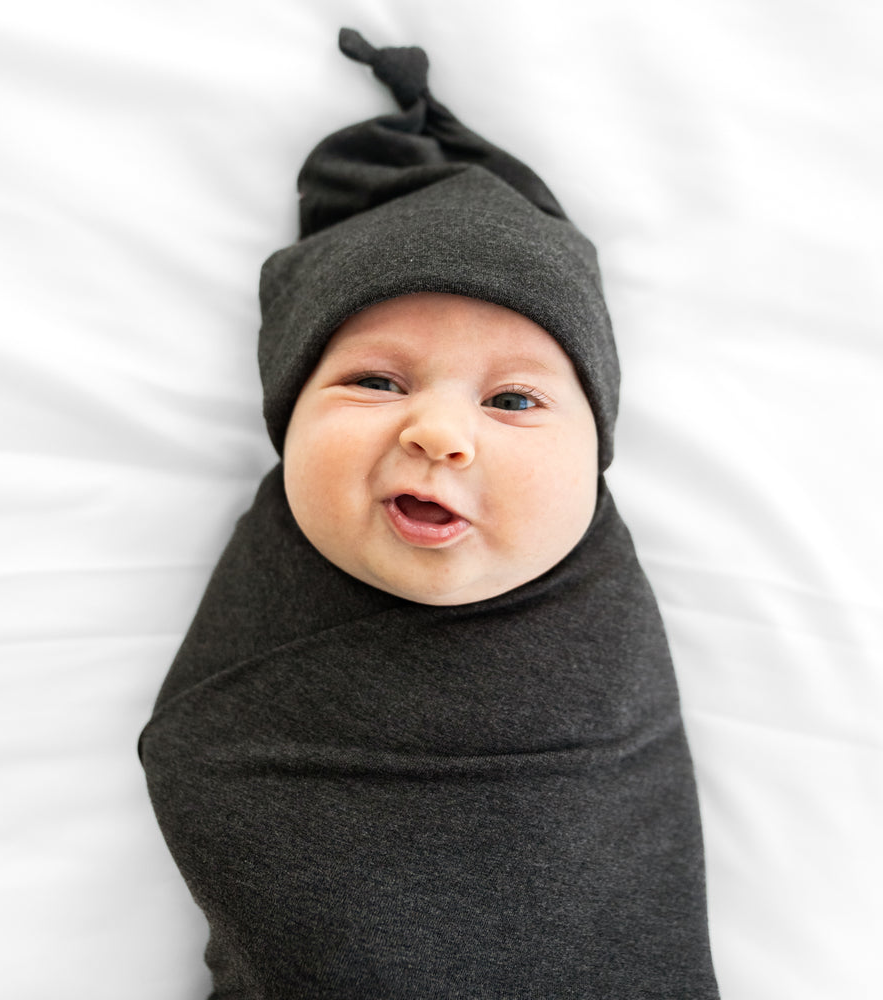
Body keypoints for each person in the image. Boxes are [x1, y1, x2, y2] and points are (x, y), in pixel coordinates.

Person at [140, 28, 720, 999]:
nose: (441, 433)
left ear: (596, 461)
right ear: (286, 426)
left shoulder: (602, 648)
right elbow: (212, 775)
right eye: (373, 381)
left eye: (514, 400)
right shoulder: (258, 647)